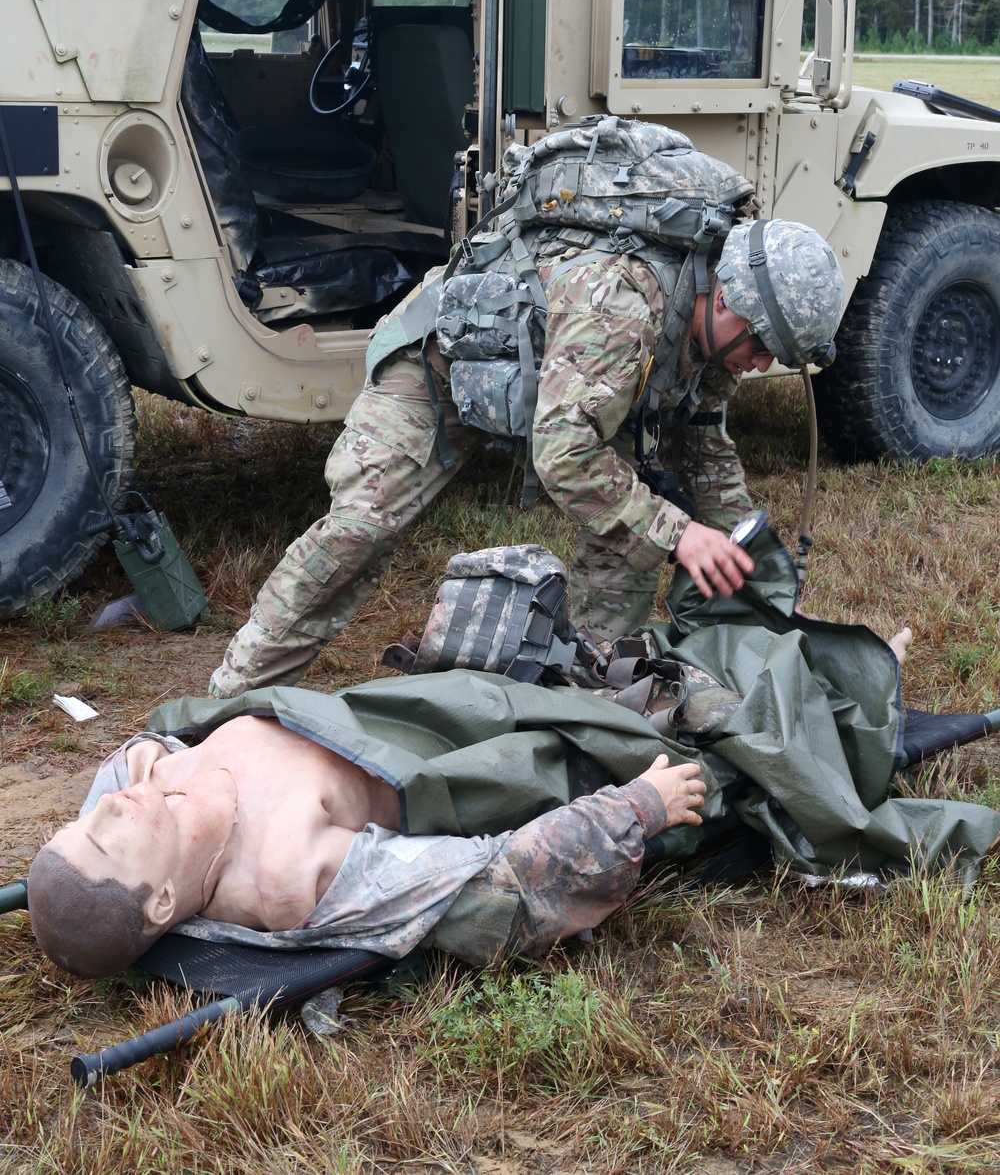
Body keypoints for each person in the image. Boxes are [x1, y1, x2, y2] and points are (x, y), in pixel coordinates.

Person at [209, 211, 845, 699]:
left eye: (775, 356)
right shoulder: (620, 305)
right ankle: (233, 698)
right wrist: (682, 534)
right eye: (762, 343)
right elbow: (565, 457)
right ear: (728, 297)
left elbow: (707, 439)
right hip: (444, 364)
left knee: (627, 541)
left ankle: (592, 699)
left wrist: (743, 548)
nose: (760, 363)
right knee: (360, 528)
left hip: (572, 385)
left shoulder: (721, 329)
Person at [26, 702, 707, 979]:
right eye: (109, 840)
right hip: (450, 742)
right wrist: (639, 807)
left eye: (85, 823)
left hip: (377, 707)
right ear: (161, 900)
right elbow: (498, 886)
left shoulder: (136, 777)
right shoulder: (287, 872)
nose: (108, 809)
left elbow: (104, 816)